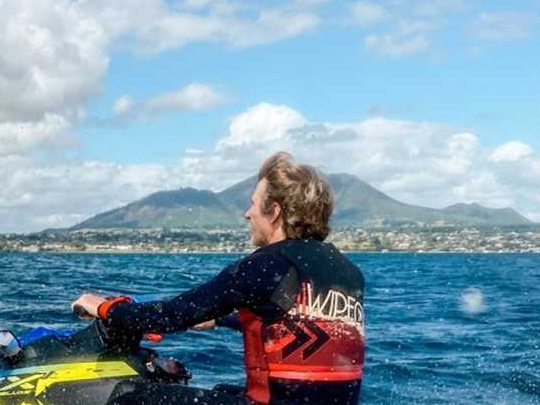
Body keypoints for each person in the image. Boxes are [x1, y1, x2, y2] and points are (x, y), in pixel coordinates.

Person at [72, 152, 366, 405]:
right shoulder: (345, 270)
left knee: (132, 396)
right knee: (222, 391)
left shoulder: (266, 264)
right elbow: (305, 323)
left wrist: (104, 307)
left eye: (253, 204)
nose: (247, 213)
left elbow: (170, 316)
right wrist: (221, 320)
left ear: (274, 212)